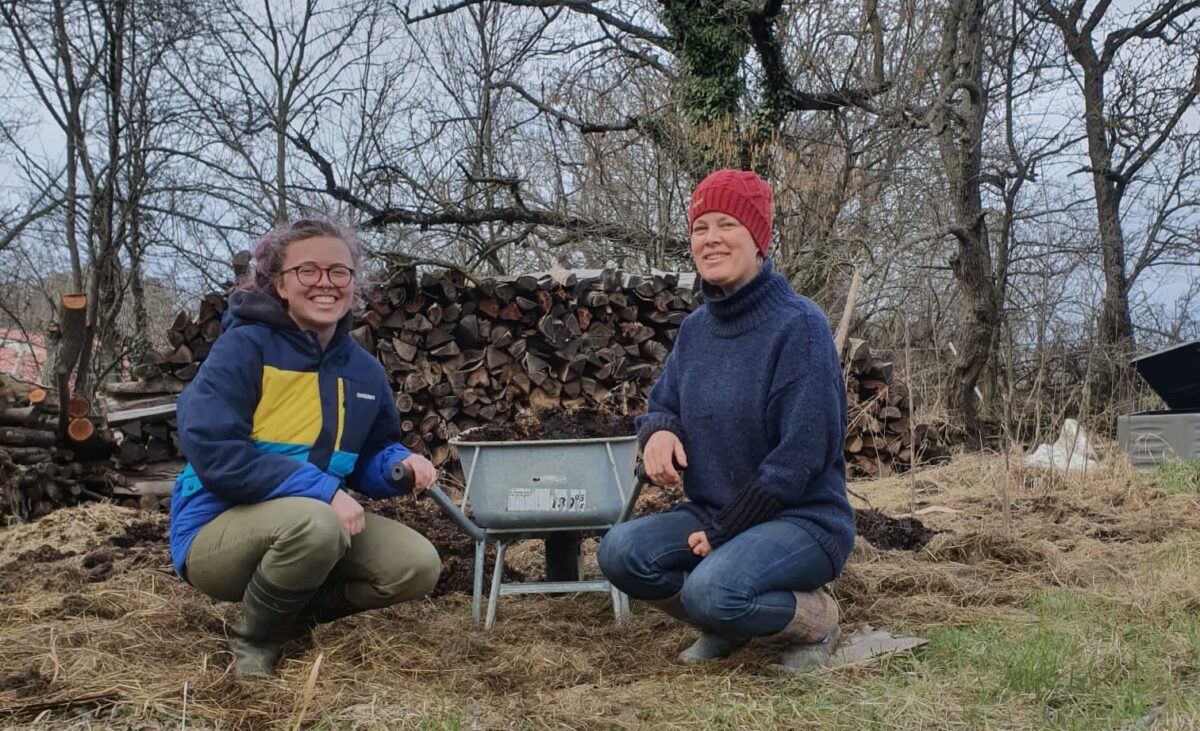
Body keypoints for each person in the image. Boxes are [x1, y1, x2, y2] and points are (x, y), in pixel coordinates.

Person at [598, 169, 855, 672]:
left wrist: (727, 530)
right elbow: (663, 403)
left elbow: (801, 456)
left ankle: (816, 617)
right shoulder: (696, 330)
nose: (710, 238)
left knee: (711, 588)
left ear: (759, 240)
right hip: (713, 513)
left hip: (802, 520)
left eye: (727, 224)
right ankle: (725, 620)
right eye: (700, 227)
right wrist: (660, 430)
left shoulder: (799, 326)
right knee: (619, 552)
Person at [168, 219, 441, 677]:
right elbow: (214, 451)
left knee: (416, 566)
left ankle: (285, 614)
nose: (325, 283)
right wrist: (323, 491)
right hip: (214, 527)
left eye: (339, 272)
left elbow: (371, 453)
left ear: (353, 285)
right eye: (307, 271)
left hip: (312, 524)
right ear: (278, 284)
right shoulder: (243, 349)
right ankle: (254, 642)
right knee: (317, 522)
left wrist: (398, 464)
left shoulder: (363, 371)